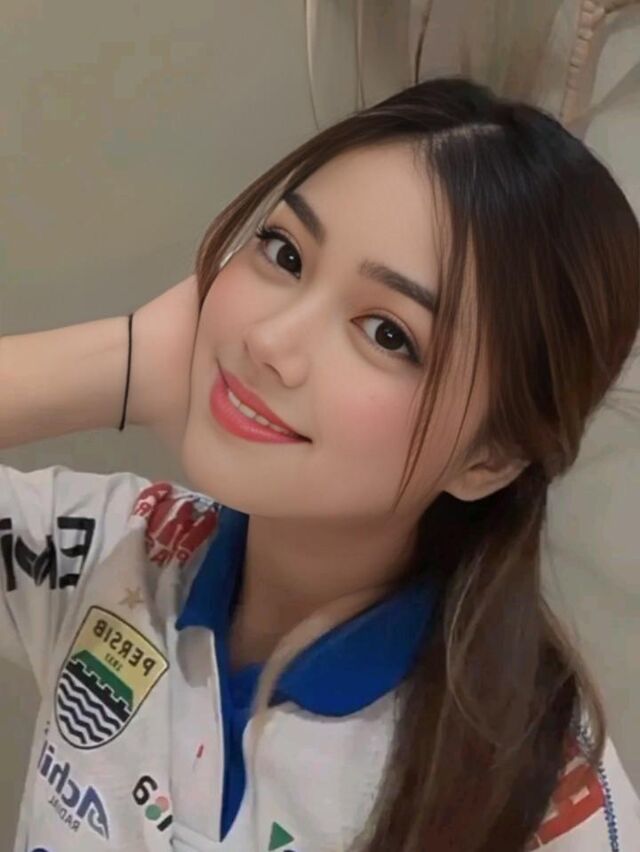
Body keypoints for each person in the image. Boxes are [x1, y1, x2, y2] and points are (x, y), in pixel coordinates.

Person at [0, 75, 639, 852]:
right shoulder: (117, 549)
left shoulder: (542, 795)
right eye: (285, 253)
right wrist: (123, 361)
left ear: (490, 458)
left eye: (388, 333)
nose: (270, 341)